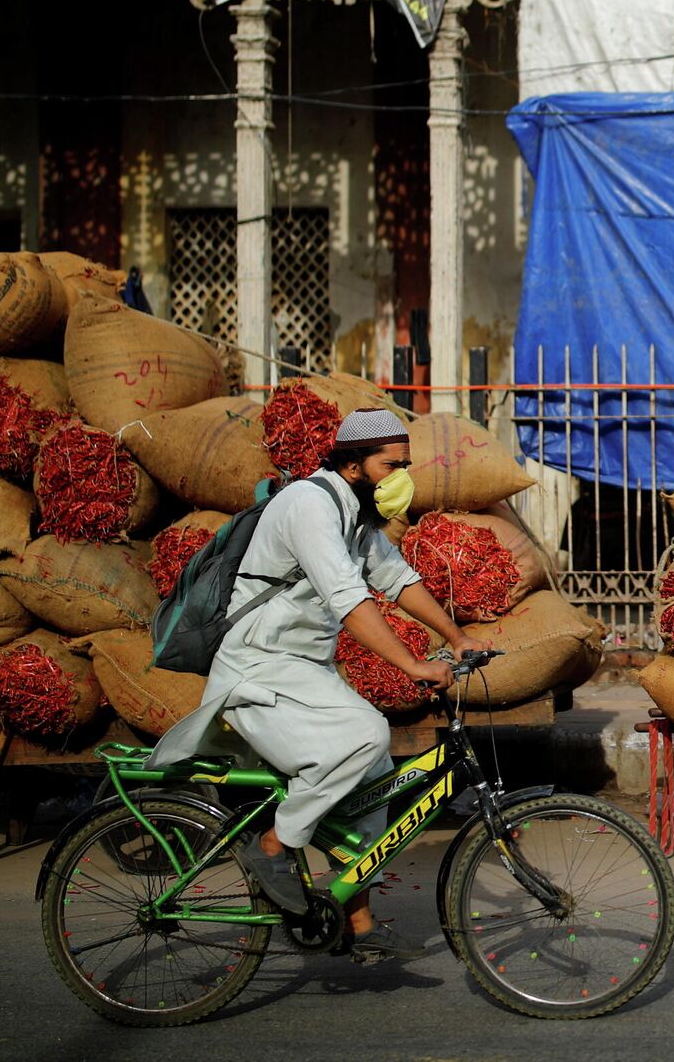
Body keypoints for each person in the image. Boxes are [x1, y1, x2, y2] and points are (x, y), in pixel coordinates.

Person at [149, 407, 481, 962]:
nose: (402, 476)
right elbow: (349, 602)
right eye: (391, 465)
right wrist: (415, 665)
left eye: (406, 464)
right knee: (366, 735)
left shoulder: (355, 514)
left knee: (375, 790)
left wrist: (456, 635)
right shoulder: (309, 504)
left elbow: (396, 578)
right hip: (258, 668)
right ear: (353, 465)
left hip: (303, 673)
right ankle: (273, 845)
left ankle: (357, 922)